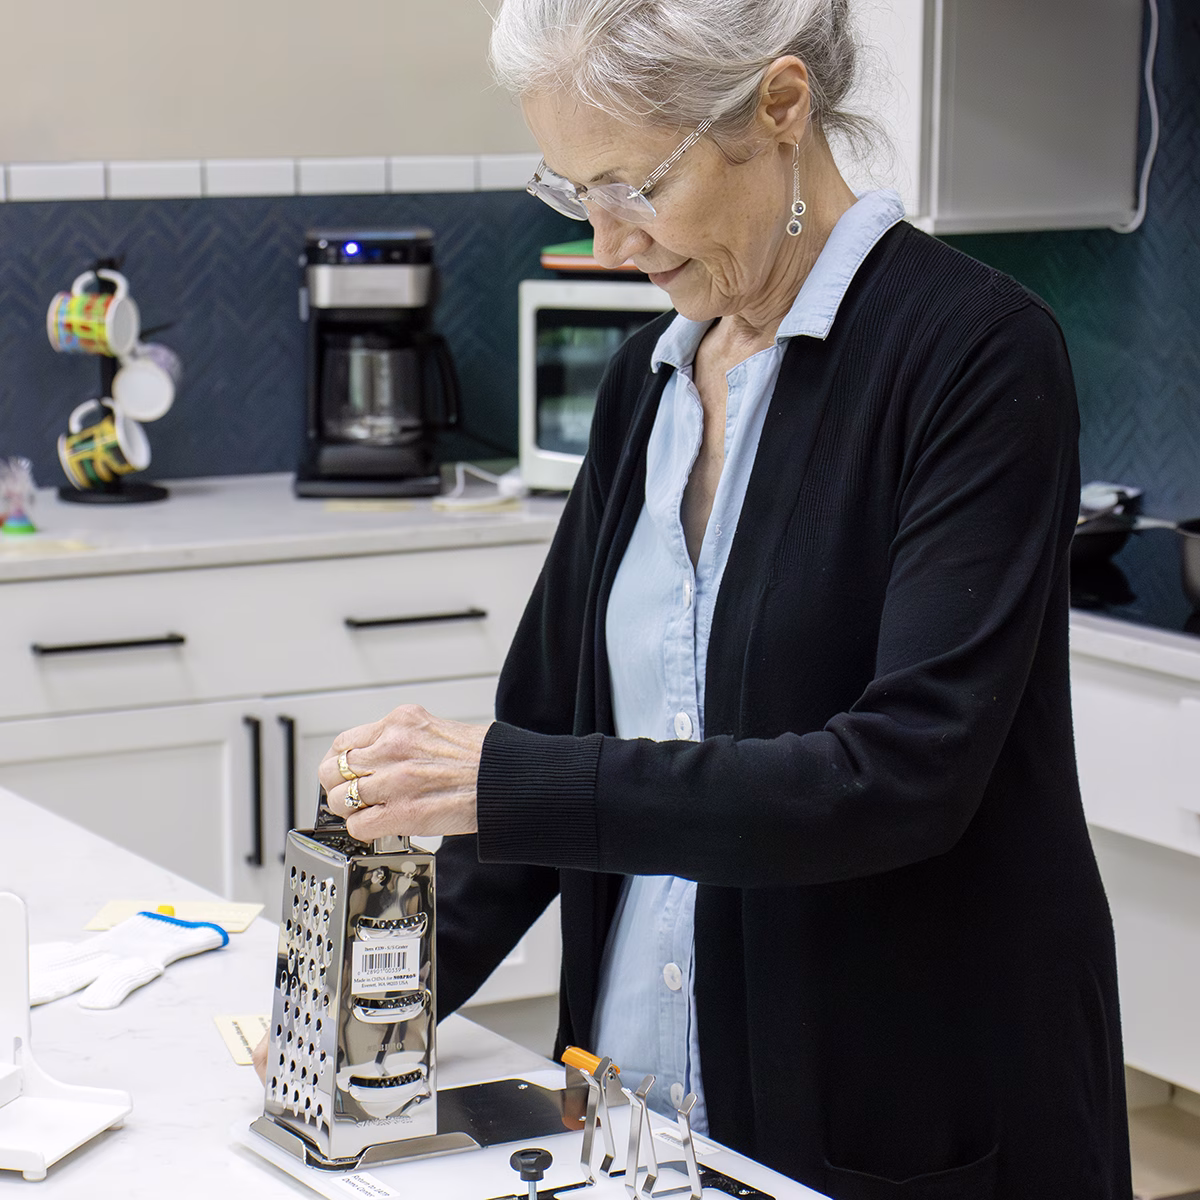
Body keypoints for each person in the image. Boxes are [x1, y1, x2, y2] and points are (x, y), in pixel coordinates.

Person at [309, 2, 1134, 1196]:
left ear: (781, 107)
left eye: (634, 186)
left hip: (902, 1114)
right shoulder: (648, 391)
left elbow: (900, 777)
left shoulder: (972, 352)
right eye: (572, 191)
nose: (605, 243)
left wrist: (510, 778)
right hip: (641, 1112)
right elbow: (548, 751)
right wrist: (352, 1016)